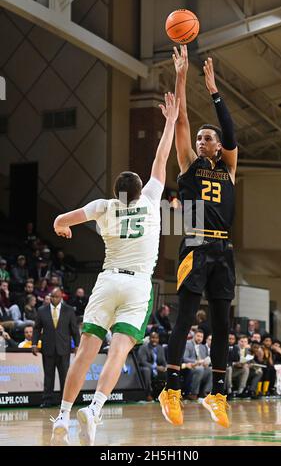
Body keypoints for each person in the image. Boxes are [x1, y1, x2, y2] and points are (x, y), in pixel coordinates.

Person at [50, 93, 180, 446]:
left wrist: (63, 227)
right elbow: (160, 157)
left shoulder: (103, 207)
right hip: (137, 285)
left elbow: (62, 219)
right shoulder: (152, 203)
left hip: (107, 281)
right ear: (140, 191)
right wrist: (169, 121)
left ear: (116, 192)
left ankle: (62, 416)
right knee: (119, 349)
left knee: (86, 350)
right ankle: (93, 410)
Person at [159, 45, 238, 429]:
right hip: (194, 244)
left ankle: (218, 394)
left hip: (223, 250)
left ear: (219, 147)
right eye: (202, 138)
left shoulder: (230, 170)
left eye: (211, 138)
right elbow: (183, 121)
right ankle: (171, 388)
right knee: (185, 319)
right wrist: (183, 75)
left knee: (223, 325)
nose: (205, 141)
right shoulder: (189, 164)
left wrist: (215, 91)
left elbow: (233, 135)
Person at [32, 287, 80, 408]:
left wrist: (77, 345)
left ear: (61, 297)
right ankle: (47, 400)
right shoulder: (42, 310)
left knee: (64, 376)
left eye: (56, 296)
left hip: (64, 348)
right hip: (47, 348)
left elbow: (74, 330)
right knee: (48, 376)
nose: (54, 299)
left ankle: (64, 402)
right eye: (52, 296)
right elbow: (37, 328)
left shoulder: (68, 310)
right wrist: (34, 343)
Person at [182, 329, 212, 399]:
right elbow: (185, 358)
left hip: (200, 367)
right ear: (194, 336)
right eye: (198, 336)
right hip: (189, 367)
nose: (199, 338)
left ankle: (205, 392)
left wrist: (205, 363)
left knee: (210, 370)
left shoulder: (203, 347)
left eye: (201, 337)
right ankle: (193, 393)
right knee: (200, 369)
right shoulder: (188, 344)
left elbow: (204, 359)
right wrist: (196, 362)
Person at [137, 331, 167, 401]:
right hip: (145, 368)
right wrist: (156, 367)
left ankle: (165, 394)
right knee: (147, 370)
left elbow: (163, 361)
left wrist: (165, 367)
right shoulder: (144, 347)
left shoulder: (160, 348)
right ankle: (148, 394)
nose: (155, 340)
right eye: (153, 338)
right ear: (149, 338)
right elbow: (142, 361)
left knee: (169, 371)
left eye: (156, 338)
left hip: (157, 370)